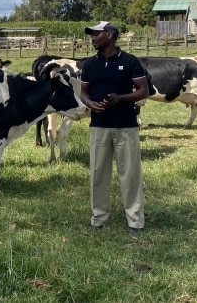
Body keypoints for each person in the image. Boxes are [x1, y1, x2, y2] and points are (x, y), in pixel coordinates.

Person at [80, 21, 150, 236]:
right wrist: (90, 104)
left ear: (109, 35)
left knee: (129, 174)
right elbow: (84, 92)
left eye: (96, 34)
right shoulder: (89, 64)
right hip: (99, 127)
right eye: (91, 35)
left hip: (126, 126)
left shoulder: (130, 61)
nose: (92, 38)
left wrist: (120, 98)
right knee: (97, 173)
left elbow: (143, 91)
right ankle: (98, 218)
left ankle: (135, 221)